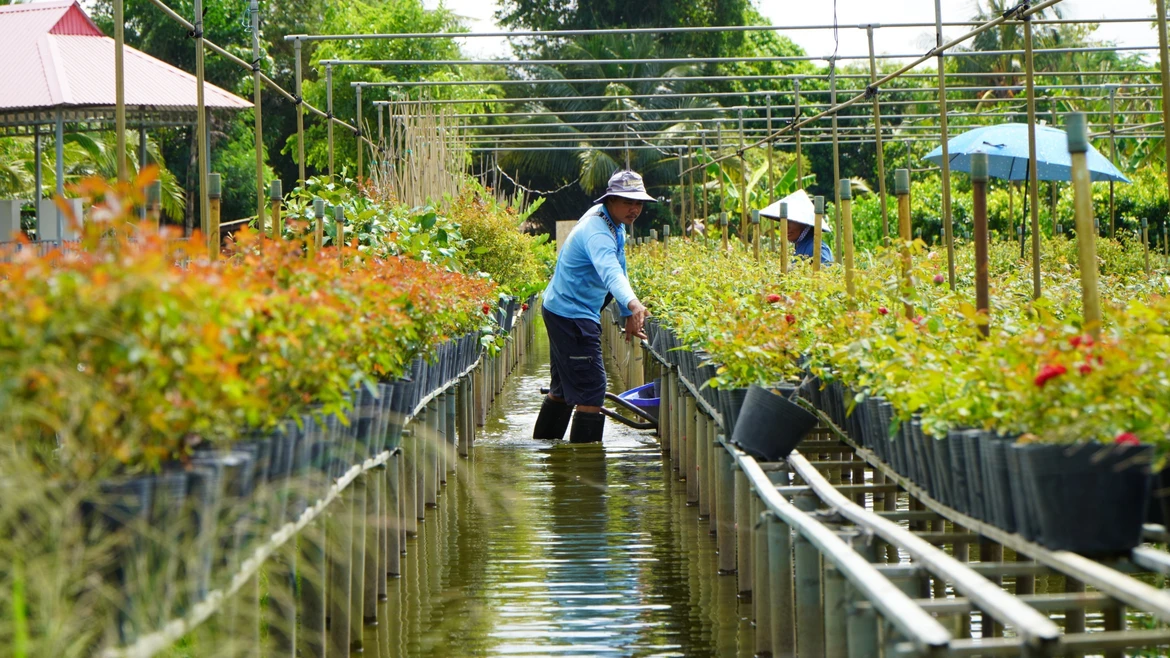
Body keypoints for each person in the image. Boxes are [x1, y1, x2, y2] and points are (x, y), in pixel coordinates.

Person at [533, 170, 654, 444]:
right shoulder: (597, 231)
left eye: (638, 203)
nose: (634, 209)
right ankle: (585, 474)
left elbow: (619, 265)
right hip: (571, 313)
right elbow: (610, 270)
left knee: (564, 389)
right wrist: (634, 305)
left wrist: (626, 312)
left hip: (561, 308)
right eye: (627, 202)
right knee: (593, 390)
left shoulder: (612, 221)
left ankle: (545, 451)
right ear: (610, 200)